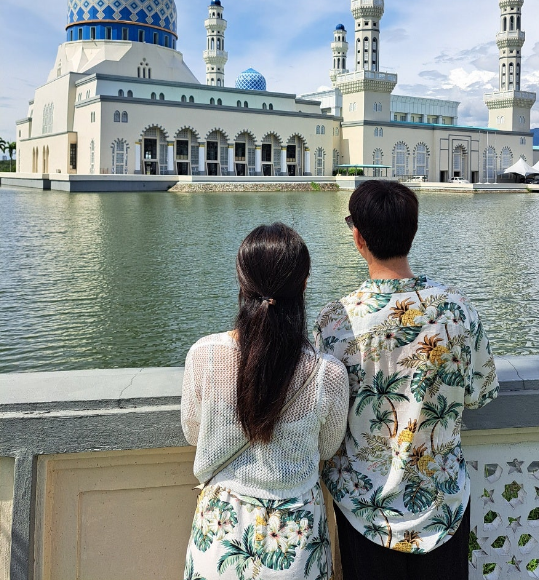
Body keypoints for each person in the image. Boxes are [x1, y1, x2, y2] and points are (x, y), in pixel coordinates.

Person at [314, 181, 499, 580]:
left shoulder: (336, 321)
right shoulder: (456, 307)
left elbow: (325, 418)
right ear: (412, 233)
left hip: (364, 510)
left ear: (358, 237)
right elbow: (480, 391)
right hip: (441, 505)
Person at [182, 222, 349, 580]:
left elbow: (194, 433)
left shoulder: (204, 355)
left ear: (241, 282)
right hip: (295, 541)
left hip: (219, 533)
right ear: (304, 283)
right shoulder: (326, 373)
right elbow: (327, 447)